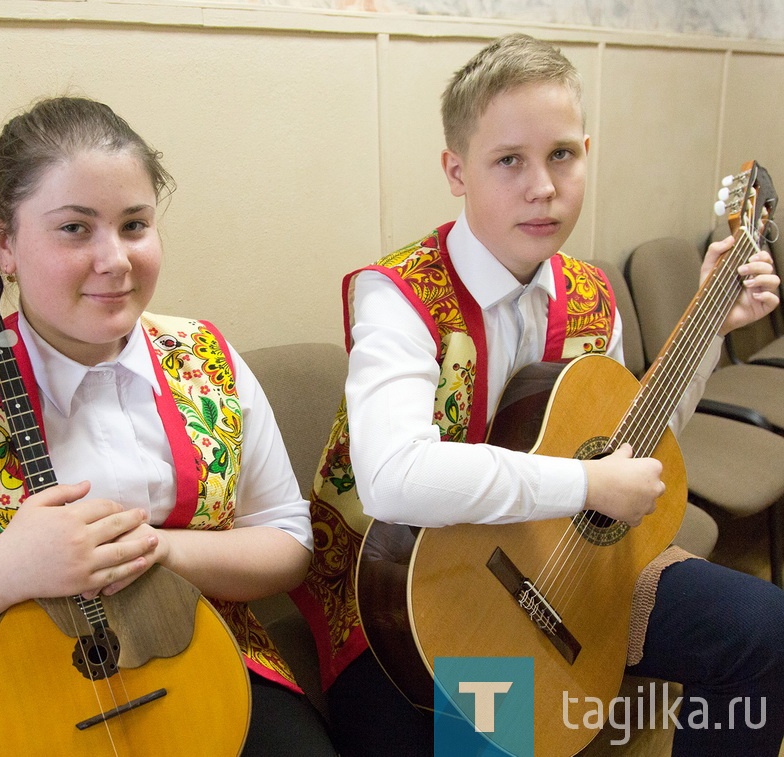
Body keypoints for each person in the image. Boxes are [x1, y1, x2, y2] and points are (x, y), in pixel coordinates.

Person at [289, 33, 784, 756]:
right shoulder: (398, 297)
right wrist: (586, 481)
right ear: (457, 170)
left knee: (763, 633)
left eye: (562, 155)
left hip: (561, 561)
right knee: (499, 735)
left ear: (586, 150)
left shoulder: (591, 295)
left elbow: (628, 442)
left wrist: (709, 324)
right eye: (509, 161)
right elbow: (394, 479)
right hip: (409, 594)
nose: (543, 187)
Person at [0, 96, 337, 757]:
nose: (114, 259)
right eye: (75, 229)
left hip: (205, 658)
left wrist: (155, 550)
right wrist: (8, 570)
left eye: (135, 224)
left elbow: (288, 541)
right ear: (3, 243)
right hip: (24, 700)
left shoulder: (208, 359)